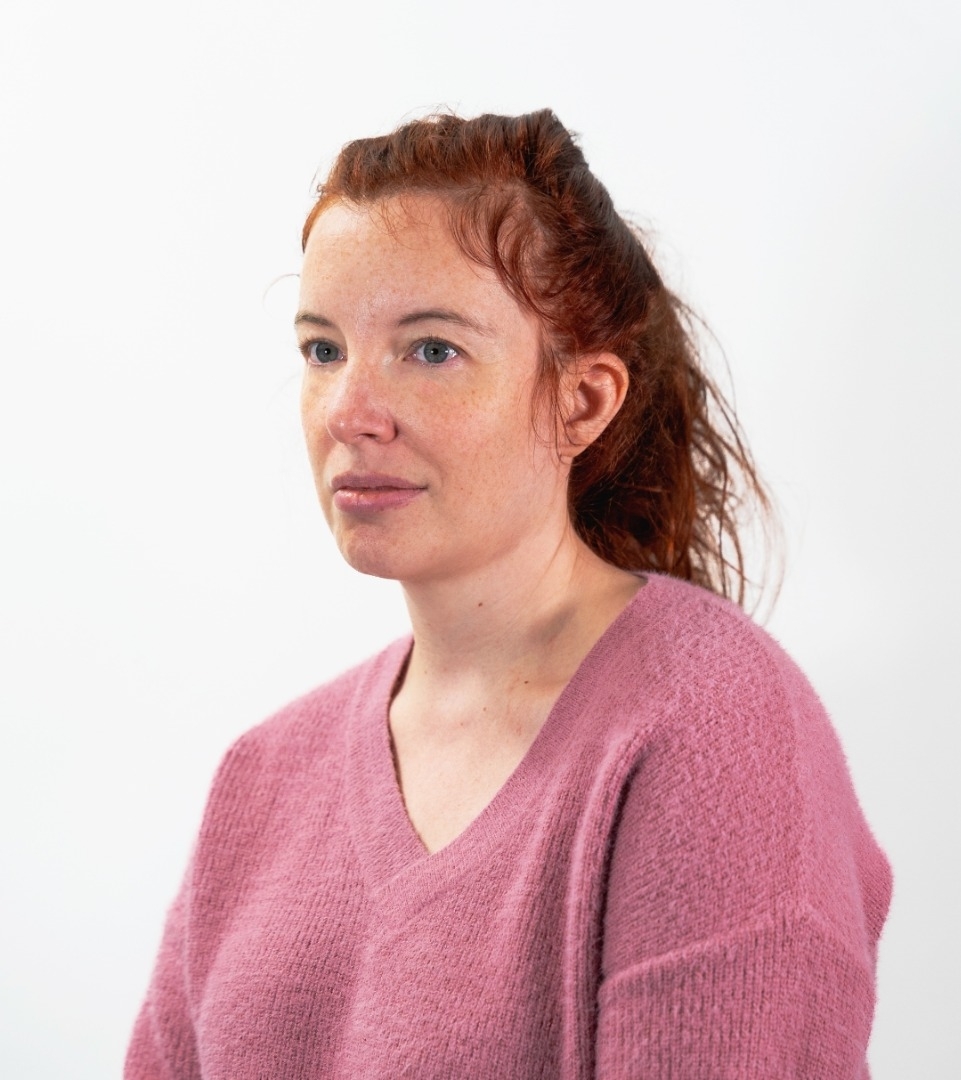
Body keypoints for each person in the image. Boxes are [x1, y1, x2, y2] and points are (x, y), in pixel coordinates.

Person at [125, 110, 892, 1079]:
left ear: (582, 400)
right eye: (323, 350)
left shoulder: (711, 727)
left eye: (431, 349)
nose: (350, 413)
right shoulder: (263, 776)